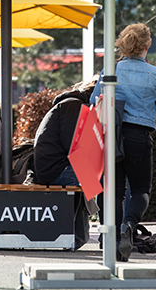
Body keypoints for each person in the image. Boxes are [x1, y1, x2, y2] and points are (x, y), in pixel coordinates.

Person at [91, 23, 156, 262]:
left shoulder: (112, 69)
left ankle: (114, 239)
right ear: (148, 46)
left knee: (115, 192)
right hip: (140, 137)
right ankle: (128, 226)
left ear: (125, 43)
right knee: (141, 190)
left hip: (113, 137)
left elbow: (93, 100)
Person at [33, 84, 95, 248]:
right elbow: (73, 147)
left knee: (95, 180)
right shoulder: (73, 106)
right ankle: (112, 233)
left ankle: (80, 236)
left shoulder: (70, 105)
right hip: (56, 170)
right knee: (103, 180)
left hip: (55, 166)